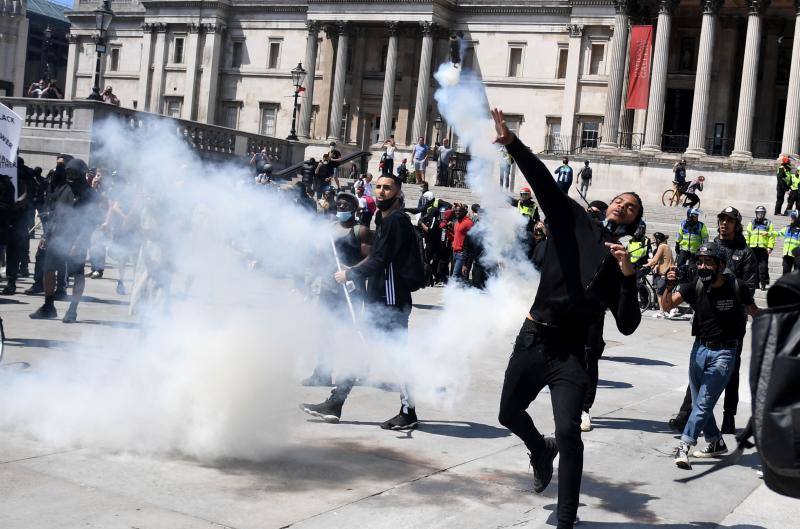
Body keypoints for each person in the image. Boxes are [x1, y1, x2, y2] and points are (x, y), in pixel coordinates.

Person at [492, 108, 642, 529]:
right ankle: (540, 449)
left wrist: (628, 275)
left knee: (570, 433)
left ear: (636, 220)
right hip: (534, 337)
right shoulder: (573, 220)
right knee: (508, 414)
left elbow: (628, 323)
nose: (622, 205)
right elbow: (543, 181)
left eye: (631, 207)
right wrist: (514, 144)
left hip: (572, 352)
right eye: (620, 200)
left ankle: (565, 520)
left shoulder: (621, 261)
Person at [301, 174, 422, 430]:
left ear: (398, 193)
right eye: (378, 187)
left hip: (391, 300)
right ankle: (335, 403)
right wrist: (353, 270)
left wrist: (350, 274)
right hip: (382, 298)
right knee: (362, 351)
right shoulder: (384, 219)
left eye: (387, 188)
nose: (381, 191)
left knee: (397, 356)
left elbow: (381, 259)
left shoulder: (396, 221)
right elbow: (377, 257)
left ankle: (407, 412)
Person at [660, 243, 758, 470]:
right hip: (699, 350)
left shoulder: (737, 287)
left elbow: (755, 313)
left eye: (708, 262)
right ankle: (715, 442)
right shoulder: (694, 285)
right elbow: (666, 306)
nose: (702, 266)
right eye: (700, 262)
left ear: (721, 265)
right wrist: (669, 285)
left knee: (703, 403)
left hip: (725, 353)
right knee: (698, 402)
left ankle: (684, 445)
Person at [668, 206, 757, 435]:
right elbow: (695, 276)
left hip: (732, 321)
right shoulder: (710, 246)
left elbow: (748, 287)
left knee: (731, 371)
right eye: (721, 220)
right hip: (706, 316)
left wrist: (725, 284)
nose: (724, 224)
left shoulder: (745, 253)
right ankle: (685, 415)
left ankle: (728, 417)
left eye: (729, 220)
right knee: (698, 369)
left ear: (737, 224)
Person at [302, 193, 372, 387]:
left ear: (354, 209)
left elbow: (371, 257)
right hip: (328, 286)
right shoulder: (330, 228)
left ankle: (357, 370)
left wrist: (352, 271)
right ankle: (322, 373)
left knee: (350, 330)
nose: (341, 207)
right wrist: (311, 280)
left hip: (351, 289)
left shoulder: (361, 231)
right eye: (339, 205)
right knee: (324, 329)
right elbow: (319, 256)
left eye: (346, 205)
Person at [29, 159, 101, 323]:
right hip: (57, 237)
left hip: (77, 239)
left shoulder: (91, 195)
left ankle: (72, 310)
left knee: (78, 274)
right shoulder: (63, 189)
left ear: (81, 174)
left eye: (74, 173)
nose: (70, 176)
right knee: (48, 270)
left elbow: (91, 222)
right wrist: (46, 235)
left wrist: (79, 242)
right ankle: (48, 306)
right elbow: (55, 214)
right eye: (68, 173)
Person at [744, 205, 777, 290]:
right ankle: (755, 284)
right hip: (753, 248)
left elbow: (771, 236)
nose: (760, 215)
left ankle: (763, 284)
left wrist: (770, 247)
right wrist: (747, 246)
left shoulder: (768, 223)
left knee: (763, 267)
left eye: (762, 213)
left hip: (763, 249)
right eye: (759, 213)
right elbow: (747, 235)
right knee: (754, 267)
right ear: (756, 213)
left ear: (764, 214)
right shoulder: (752, 223)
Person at [645, 232, 675, 319]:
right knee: (664, 293)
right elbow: (664, 260)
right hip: (670, 272)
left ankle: (666, 311)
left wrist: (646, 265)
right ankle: (668, 310)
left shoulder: (662, 247)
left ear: (658, 240)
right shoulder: (666, 246)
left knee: (659, 293)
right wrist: (657, 265)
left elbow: (654, 260)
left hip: (665, 273)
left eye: (654, 239)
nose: (653, 241)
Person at [451, 204, 474, 282]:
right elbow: (456, 236)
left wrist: (468, 257)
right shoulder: (456, 222)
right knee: (460, 277)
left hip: (462, 253)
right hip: (454, 252)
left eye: (459, 211)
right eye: (456, 211)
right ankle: (461, 289)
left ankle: (452, 288)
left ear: (464, 212)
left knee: (455, 275)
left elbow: (472, 238)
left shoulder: (468, 222)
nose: (457, 212)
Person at [778, 210, 800, 275]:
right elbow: (778, 233)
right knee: (785, 274)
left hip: (797, 256)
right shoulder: (787, 228)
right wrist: (768, 233)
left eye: (793, 218)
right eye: (791, 218)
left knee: (797, 275)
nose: (791, 219)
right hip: (787, 255)